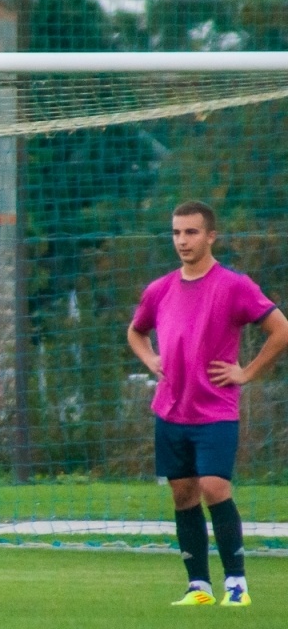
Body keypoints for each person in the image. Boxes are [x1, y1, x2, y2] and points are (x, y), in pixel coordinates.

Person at [127, 200, 288, 607]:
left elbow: (280, 329)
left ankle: (237, 584)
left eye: (191, 232)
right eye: (177, 232)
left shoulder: (234, 285)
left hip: (215, 410)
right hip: (170, 410)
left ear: (211, 236)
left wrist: (247, 373)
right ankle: (198, 585)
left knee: (215, 486)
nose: (182, 240)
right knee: (183, 494)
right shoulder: (160, 288)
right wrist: (150, 359)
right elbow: (136, 332)